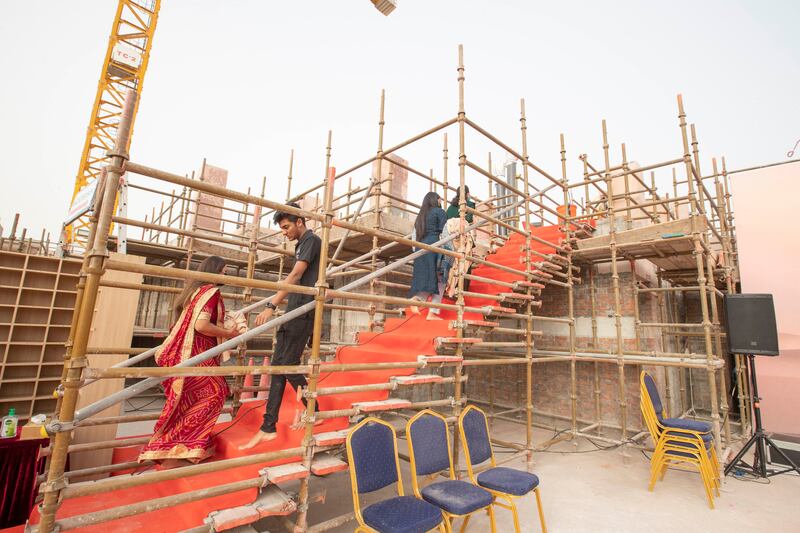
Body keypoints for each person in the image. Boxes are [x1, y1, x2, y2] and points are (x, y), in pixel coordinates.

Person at [138, 256, 240, 467]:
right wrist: (229, 333)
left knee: (187, 400)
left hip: (192, 354)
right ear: (213, 271)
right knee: (215, 393)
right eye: (224, 271)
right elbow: (201, 325)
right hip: (196, 355)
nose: (225, 276)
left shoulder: (197, 292)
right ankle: (176, 447)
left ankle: (183, 446)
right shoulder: (211, 292)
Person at [240, 202, 322, 450]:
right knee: (279, 366)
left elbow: (296, 275)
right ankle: (269, 426)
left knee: (285, 365)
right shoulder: (300, 245)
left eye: (286, 226)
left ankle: (311, 409)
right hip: (293, 310)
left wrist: (271, 305)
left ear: (299, 221)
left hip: (303, 312)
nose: (284, 232)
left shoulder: (311, 240)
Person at [408, 191, 446, 319]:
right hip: (434, 247)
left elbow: (414, 235)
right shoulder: (439, 212)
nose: (441, 202)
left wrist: (416, 251)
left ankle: (417, 299)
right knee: (441, 278)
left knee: (428, 278)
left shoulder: (420, 215)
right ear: (435, 200)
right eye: (440, 199)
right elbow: (445, 233)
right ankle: (432, 313)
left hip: (420, 249)